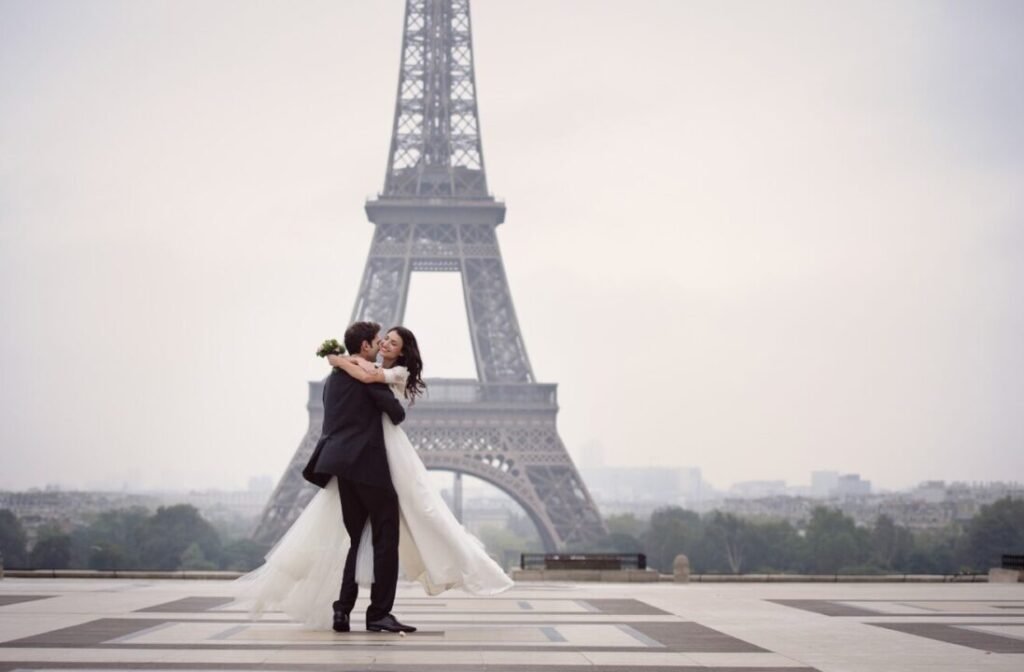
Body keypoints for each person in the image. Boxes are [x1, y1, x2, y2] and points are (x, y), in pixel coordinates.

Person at [234, 323, 511, 633]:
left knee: (356, 541)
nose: (382, 344)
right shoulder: (368, 377)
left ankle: (342, 610)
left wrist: (338, 360)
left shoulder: (334, 379)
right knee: (385, 538)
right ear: (365, 346)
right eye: (379, 340)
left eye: (389, 341)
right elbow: (396, 413)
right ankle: (379, 612)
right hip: (369, 466)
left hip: (340, 466)